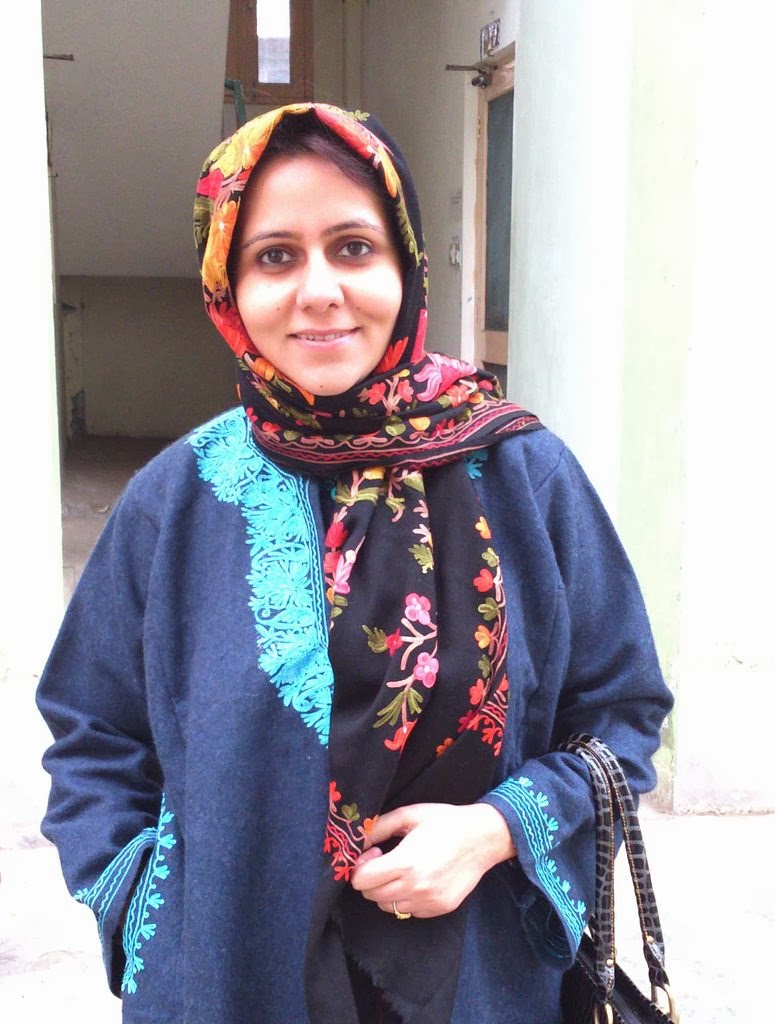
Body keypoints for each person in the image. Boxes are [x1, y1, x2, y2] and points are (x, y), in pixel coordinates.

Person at [36, 103, 673, 1024]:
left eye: (353, 247)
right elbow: (93, 728)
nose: (319, 290)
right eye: (274, 256)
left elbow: (621, 709)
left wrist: (497, 829)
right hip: (230, 979)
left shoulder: (523, 475)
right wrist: (145, 909)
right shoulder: (177, 498)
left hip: (480, 981)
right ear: (227, 286)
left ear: (404, 266)